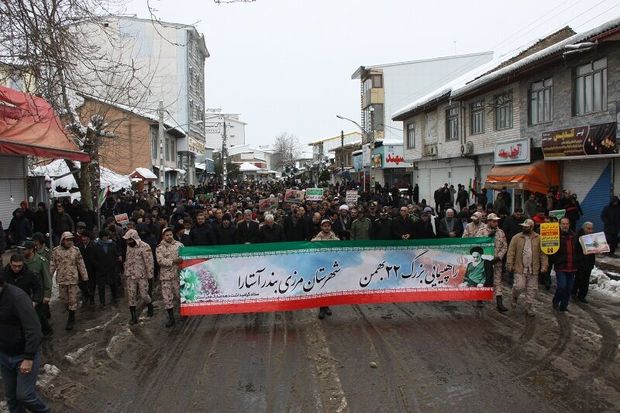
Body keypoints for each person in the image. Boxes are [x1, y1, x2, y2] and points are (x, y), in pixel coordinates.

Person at [0, 271, 49, 413]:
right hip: (4, 354)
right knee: (11, 398)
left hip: (23, 355)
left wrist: (28, 357)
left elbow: (34, 329)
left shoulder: (18, 298)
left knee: (25, 395)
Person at [506, 219, 548, 317]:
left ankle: (528, 307)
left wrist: (544, 265)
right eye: (523, 226)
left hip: (533, 268)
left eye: (526, 227)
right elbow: (511, 252)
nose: (524, 228)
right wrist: (509, 264)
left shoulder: (539, 238)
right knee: (519, 286)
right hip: (520, 267)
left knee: (532, 289)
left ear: (532, 227)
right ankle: (514, 296)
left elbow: (543, 253)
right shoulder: (516, 238)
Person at [50, 232, 88, 331]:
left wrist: (84, 276)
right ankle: (70, 309)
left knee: (72, 300)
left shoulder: (76, 250)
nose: (69, 242)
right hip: (62, 279)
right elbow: (52, 264)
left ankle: (71, 318)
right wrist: (48, 276)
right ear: (63, 240)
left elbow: (81, 263)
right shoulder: (56, 251)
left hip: (72, 279)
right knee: (64, 299)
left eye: (71, 240)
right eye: (67, 240)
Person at [477, 213, 509, 312]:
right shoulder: (482, 231)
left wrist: (499, 257)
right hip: (485, 261)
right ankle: (480, 298)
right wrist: (487, 237)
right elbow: (477, 244)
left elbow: (504, 246)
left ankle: (499, 303)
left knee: (497, 281)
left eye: (497, 221)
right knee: (485, 280)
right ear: (489, 221)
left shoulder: (501, 232)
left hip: (497, 261)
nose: (496, 223)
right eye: (494, 221)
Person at [123, 229, 154, 325]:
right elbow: (127, 259)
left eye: (130, 240)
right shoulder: (128, 247)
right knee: (131, 296)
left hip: (142, 275)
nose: (128, 242)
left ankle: (149, 305)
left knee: (144, 294)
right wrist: (126, 272)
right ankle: (133, 317)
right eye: (127, 240)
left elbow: (149, 262)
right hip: (130, 275)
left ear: (134, 238)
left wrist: (150, 275)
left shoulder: (145, 246)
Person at [21, 243, 53, 336]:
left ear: (31, 250)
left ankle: (46, 332)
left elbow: (47, 279)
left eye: (25, 249)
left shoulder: (40, 261)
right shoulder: (22, 262)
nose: (23, 251)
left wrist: (47, 296)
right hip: (26, 294)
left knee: (39, 316)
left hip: (39, 294)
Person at [550, 217, 580, 312]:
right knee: (562, 286)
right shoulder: (555, 236)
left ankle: (564, 306)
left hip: (572, 266)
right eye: (563, 224)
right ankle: (556, 301)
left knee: (569, 288)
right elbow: (550, 251)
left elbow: (579, 250)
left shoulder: (574, 236)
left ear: (569, 224)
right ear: (559, 225)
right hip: (561, 266)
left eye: (567, 224)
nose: (565, 225)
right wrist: (556, 260)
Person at [311, 219, 339, 319]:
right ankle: (322, 309)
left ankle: (327, 306)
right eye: (325, 226)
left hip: (330, 266)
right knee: (321, 287)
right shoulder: (318, 237)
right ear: (321, 227)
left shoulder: (333, 236)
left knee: (328, 287)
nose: (327, 227)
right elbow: (313, 243)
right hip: (320, 267)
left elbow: (339, 243)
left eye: (328, 226)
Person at [156, 228, 183, 328]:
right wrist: (173, 261)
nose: (169, 236)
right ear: (163, 236)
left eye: (170, 234)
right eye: (167, 235)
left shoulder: (179, 245)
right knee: (167, 298)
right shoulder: (159, 248)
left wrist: (181, 260)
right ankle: (171, 318)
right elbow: (160, 261)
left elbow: (184, 256)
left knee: (179, 295)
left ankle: (184, 311)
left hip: (177, 275)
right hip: (166, 277)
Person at [93, 230, 121, 307]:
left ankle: (115, 298)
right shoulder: (96, 246)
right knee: (101, 286)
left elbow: (116, 253)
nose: (106, 238)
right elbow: (94, 258)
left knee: (113, 284)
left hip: (111, 268)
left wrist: (117, 259)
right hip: (101, 269)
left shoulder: (112, 244)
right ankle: (102, 302)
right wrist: (98, 265)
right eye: (105, 236)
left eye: (107, 236)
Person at [573, 221, 595, 303]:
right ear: (584, 228)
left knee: (586, 280)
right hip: (580, 262)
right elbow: (575, 250)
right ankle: (573, 291)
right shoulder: (578, 237)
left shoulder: (593, 237)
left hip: (589, 262)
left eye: (592, 229)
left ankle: (582, 296)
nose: (590, 231)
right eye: (588, 229)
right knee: (579, 278)